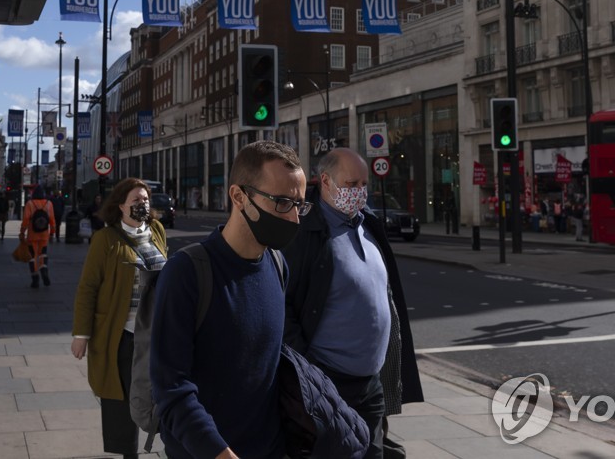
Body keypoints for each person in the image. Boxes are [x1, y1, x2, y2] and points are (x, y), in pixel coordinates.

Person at [151, 140, 306, 459]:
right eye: (281, 202)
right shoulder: (187, 273)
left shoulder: (277, 265)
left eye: (299, 204)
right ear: (239, 197)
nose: (294, 219)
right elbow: (171, 389)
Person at [284, 147, 423, 459]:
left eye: (364, 184)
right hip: (329, 382)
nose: (359, 192)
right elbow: (284, 305)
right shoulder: (304, 232)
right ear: (325, 182)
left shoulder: (367, 224)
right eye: (351, 184)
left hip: (371, 383)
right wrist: (309, 368)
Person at [71, 178, 168, 459]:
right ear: (121, 206)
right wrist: (82, 335)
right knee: (121, 399)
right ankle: (129, 454)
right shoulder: (105, 239)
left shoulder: (157, 231)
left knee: (153, 397)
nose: (143, 204)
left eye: (146, 199)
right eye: (136, 200)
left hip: (155, 333)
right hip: (122, 335)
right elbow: (88, 287)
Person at [20, 186, 56, 288]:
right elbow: (52, 220)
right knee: (43, 254)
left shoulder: (30, 204)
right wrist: (52, 233)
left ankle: (35, 278)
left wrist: (22, 232)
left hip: (32, 235)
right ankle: (44, 271)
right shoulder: (49, 204)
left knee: (32, 257)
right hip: (44, 234)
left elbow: (26, 220)